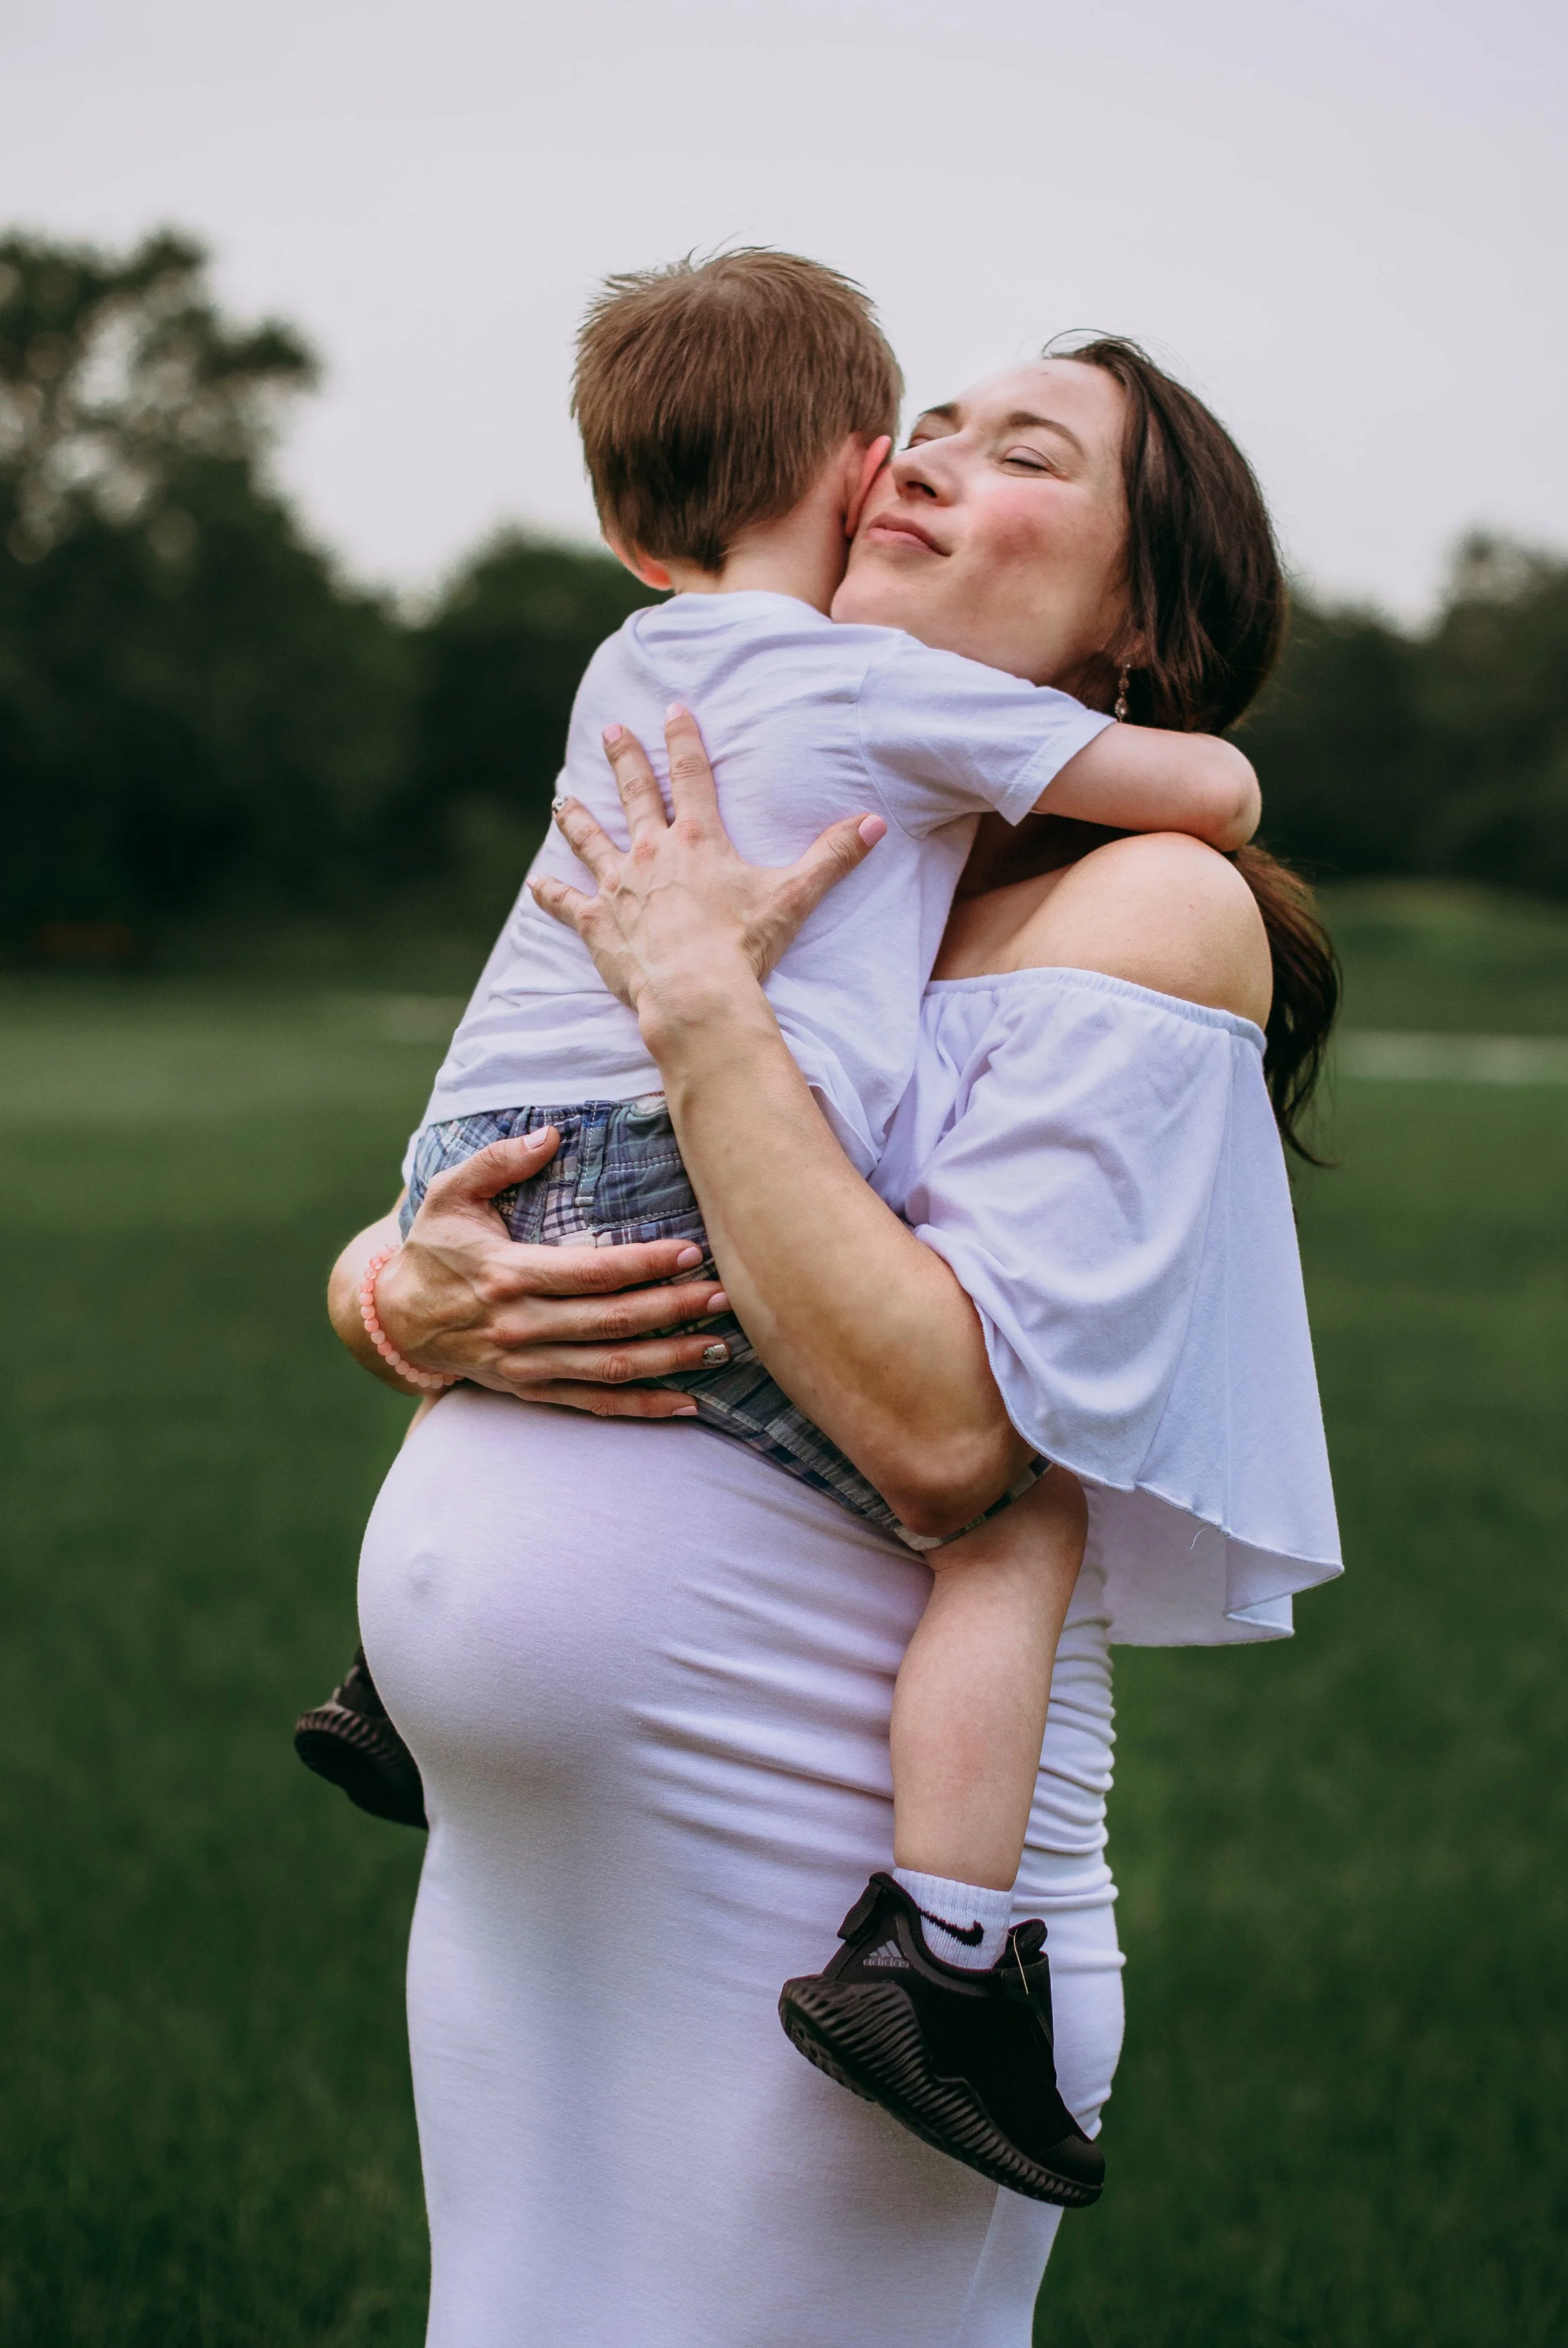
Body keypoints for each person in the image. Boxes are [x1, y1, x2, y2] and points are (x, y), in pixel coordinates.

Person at [330, 337, 1340, 2347]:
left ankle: (955, 1965)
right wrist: (385, 1289)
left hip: (801, 1873)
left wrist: (705, 1009)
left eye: (1025, 448)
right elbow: (534, 1127)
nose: (932, 459)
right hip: (537, 1864)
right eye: (934, 421)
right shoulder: (827, 830)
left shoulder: (1145, 899)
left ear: (1140, 613)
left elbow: (950, 1441)